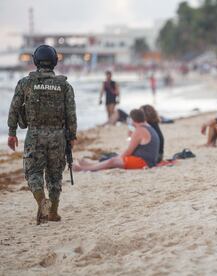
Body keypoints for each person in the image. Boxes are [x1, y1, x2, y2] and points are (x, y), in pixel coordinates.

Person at [7, 45, 77, 224]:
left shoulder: (26, 83)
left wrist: (12, 132)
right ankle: (53, 212)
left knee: (33, 172)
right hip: (58, 136)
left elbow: (14, 108)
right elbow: (71, 114)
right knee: (55, 175)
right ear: (54, 61)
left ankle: (41, 201)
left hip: (35, 135)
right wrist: (72, 136)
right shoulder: (64, 85)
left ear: (36, 61)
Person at [74, 109, 160, 171]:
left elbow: (129, 151)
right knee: (114, 159)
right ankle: (90, 164)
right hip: (147, 160)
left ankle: (82, 168)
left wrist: (119, 158)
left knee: (113, 160)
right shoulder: (148, 127)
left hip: (144, 162)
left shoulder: (139, 130)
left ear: (133, 120)